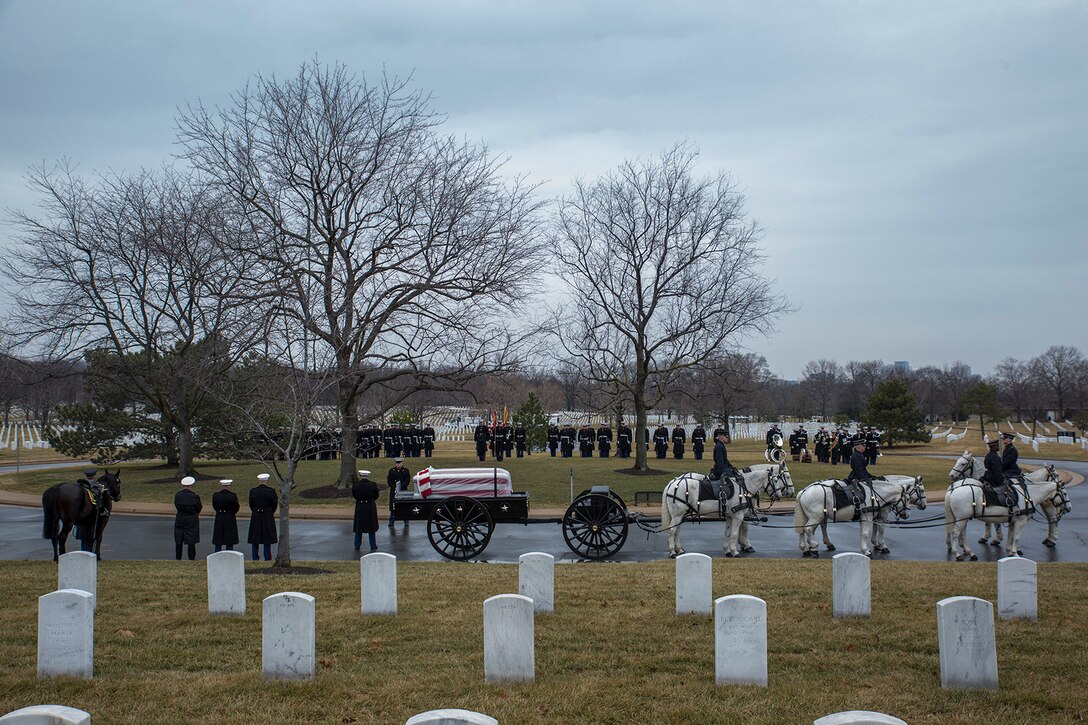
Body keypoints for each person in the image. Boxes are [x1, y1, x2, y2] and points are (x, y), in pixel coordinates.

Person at [247, 473, 278, 561]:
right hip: (267, 515)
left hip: (256, 515)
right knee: (267, 538)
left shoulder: (253, 491)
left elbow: (251, 504)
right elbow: (274, 504)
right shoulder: (271, 491)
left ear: (259, 481)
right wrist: (270, 512)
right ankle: (267, 557)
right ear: (266, 480)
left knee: (255, 539)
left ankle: (255, 557)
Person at [173, 476, 202, 561]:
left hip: (180, 517)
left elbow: (176, 505)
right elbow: (199, 507)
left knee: (179, 539)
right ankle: (191, 557)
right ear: (191, 485)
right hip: (191, 518)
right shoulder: (194, 496)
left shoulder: (178, 495)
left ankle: (178, 558)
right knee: (191, 540)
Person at [709, 430, 740, 504]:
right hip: (721, 471)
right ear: (721, 437)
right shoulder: (719, 447)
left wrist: (732, 468)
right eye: (726, 436)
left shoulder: (721, 445)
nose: (727, 437)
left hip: (724, 469)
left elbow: (725, 460)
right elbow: (720, 463)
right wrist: (725, 472)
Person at [352, 469, 380, 551]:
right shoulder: (373, 485)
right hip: (370, 507)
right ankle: (373, 545)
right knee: (371, 528)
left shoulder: (356, 485)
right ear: (367, 476)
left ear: (360, 476)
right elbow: (376, 496)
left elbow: (355, 495)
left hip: (360, 506)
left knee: (358, 528)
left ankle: (357, 545)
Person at [211, 478, 240, 553]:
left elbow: (215, 506)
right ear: (229, 486)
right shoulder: (232, 496)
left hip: (219, 517)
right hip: (229, 517)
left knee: (218, 539)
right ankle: (229, 554)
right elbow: (236, 507)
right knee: (229, 539)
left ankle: (217, 554)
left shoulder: (216, 495)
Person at [844, 439, 873, 504]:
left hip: (859, 475)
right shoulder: (857, 456)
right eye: (863, 445)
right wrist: (866, 479)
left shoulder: (859, 455)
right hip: (856, 477)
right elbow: (859, 470)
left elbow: (863, 469)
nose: (865, 447)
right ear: (859, 446)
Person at [387, 457, 411, 527]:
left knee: (404, 507)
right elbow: (389, 480)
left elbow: (407, 480)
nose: (398, 465)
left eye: (399, 463)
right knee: (393, 508)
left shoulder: (405, 471)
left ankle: (406, 521)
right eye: (397, 463)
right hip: (394, 491)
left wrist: (400, 487)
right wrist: (394, 487)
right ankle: (391, 521)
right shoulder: (392, 471)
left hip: (403, 491)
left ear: (402, 463)